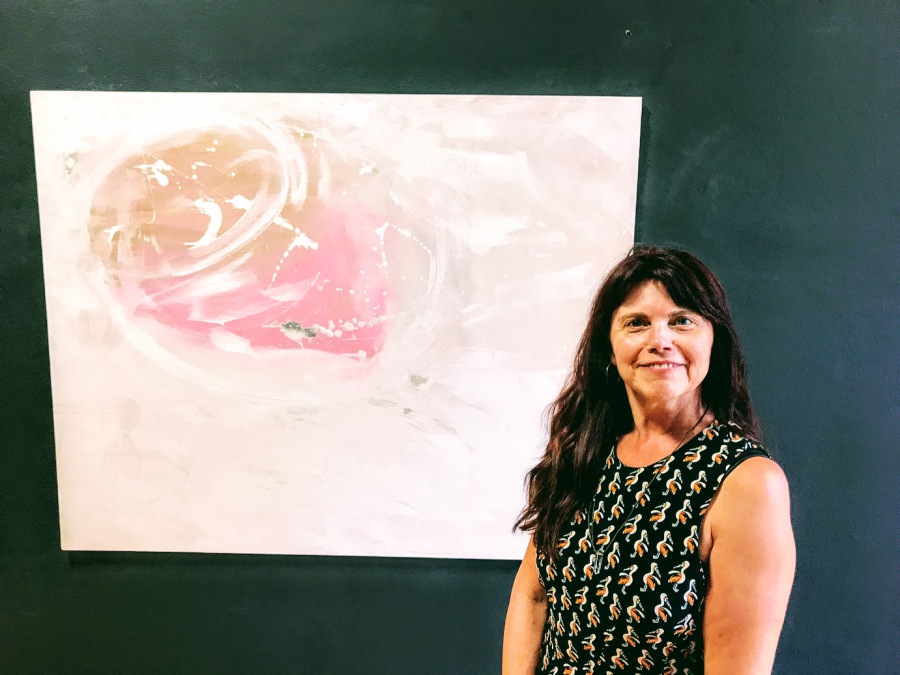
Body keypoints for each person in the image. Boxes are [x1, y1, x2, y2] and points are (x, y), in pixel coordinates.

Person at [502, 246, 795, 674]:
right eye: (637, 323)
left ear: (714, 339)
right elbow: (533, 596)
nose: (660, 341)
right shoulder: (583, 451)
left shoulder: (747, 483)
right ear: (609, 346)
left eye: (682, 321)